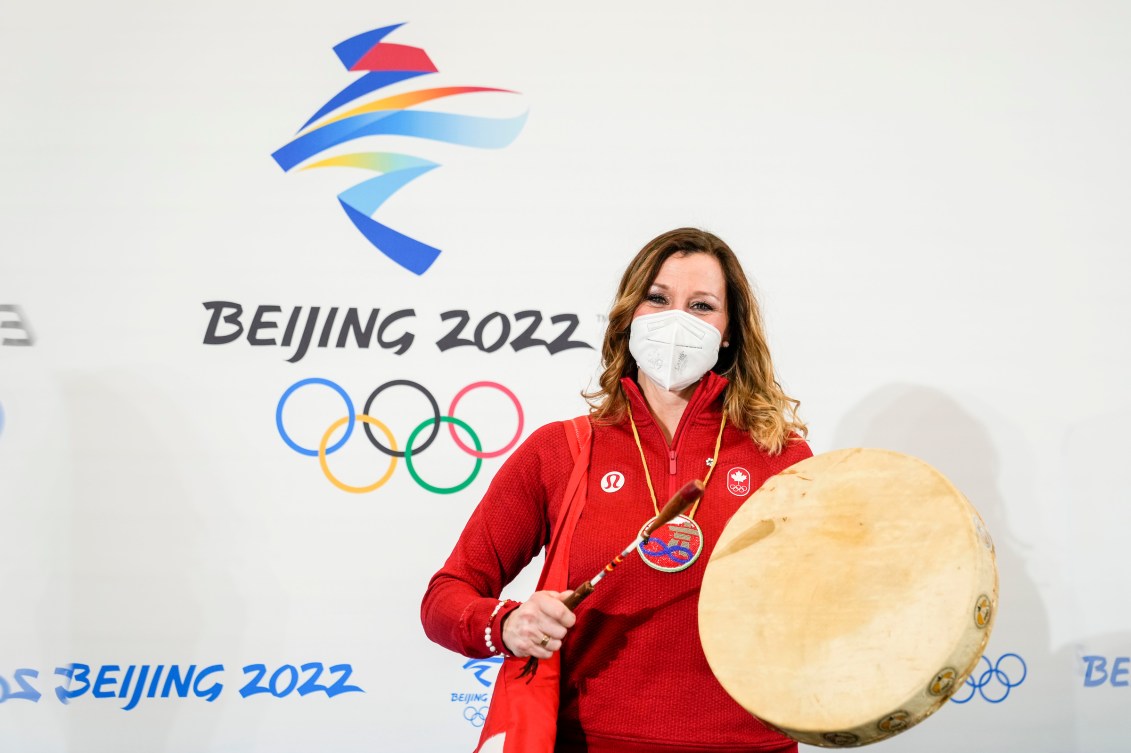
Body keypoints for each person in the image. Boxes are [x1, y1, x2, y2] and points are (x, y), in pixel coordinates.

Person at [422, 228, 811, 752]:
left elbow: (821, 609)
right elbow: (446, 597)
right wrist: (509, 623)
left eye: (701, 305)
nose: (676, 320)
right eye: (658, 299)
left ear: (728, 332)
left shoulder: (781, 457)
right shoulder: (560, 450)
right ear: (630, 314)